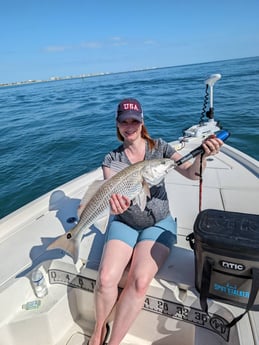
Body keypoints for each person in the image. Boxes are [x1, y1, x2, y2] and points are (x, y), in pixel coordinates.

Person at [89, 98, 223, 345]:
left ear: (142, 122)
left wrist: (202, 157)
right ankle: (98, 331)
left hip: (158, 223)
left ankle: (113, 341)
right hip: (124, 222)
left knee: (139, 280)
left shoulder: (161, 148)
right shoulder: (111, 159)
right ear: (117, 124)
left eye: (134, 120)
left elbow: (191, 173)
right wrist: (115, 203)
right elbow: (112, 194)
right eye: (124, 121)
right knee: (106, 277)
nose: (129, 126)